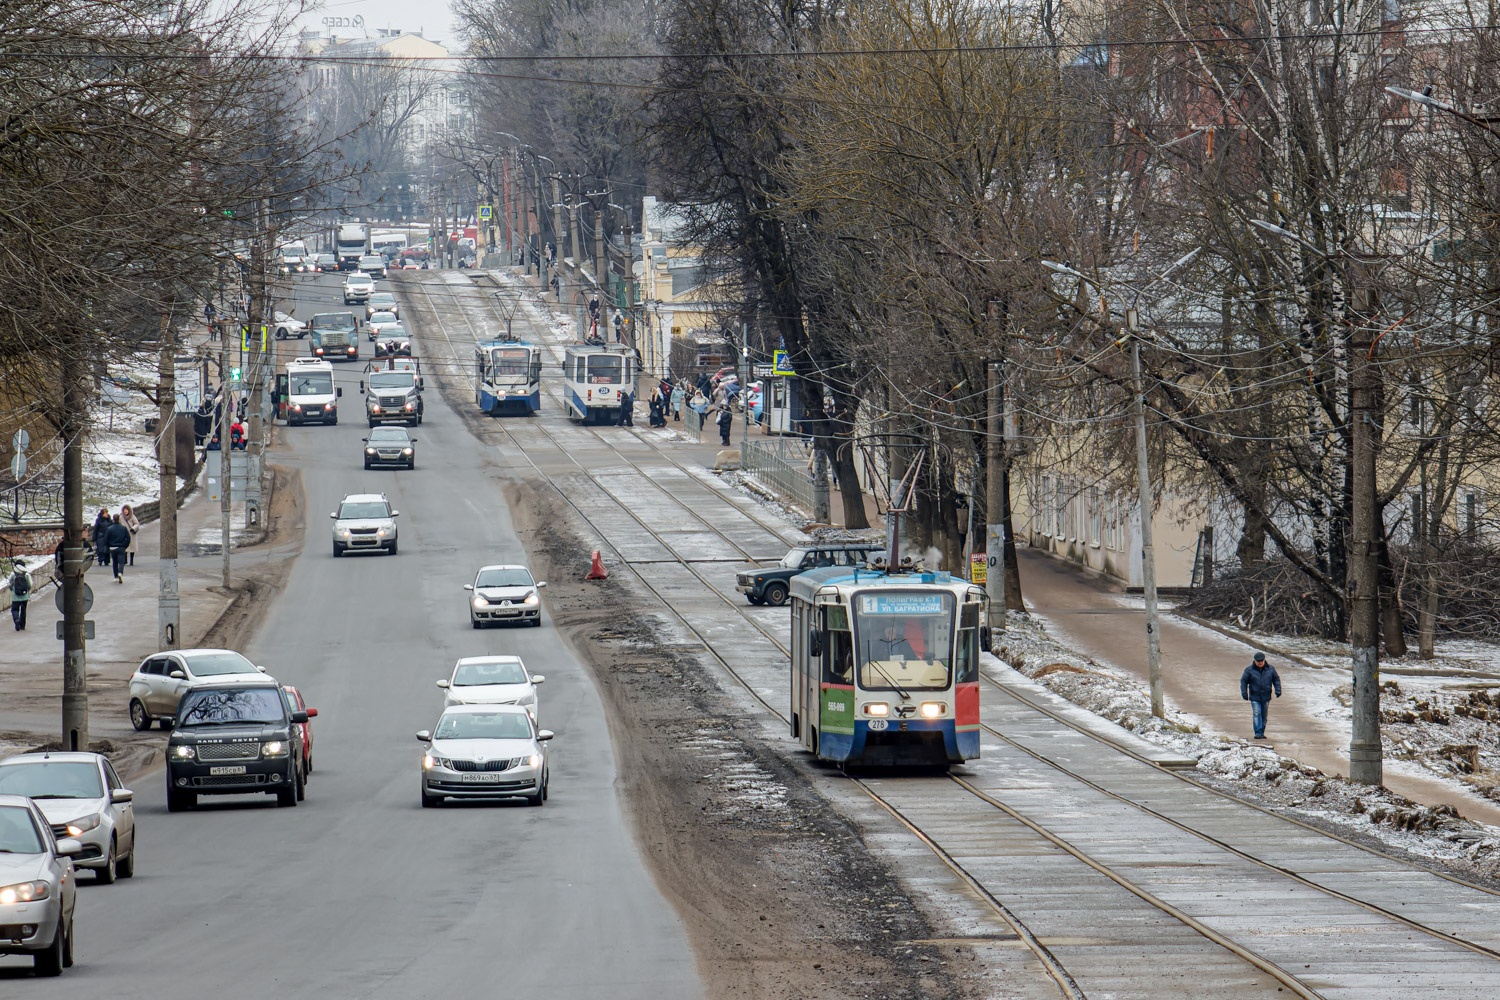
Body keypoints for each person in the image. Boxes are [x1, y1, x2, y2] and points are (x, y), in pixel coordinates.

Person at [1239, 651, 1282, 740]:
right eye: (1258, 661)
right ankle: (1258, 732)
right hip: (1254, 696)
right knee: (1257, 713)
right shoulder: (1249, 670)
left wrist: (1278, 690)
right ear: (1255, 661)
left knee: (1264, 715)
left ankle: (1261, 732)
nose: (1260, 663)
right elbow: (1243, 681)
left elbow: (1276, 680)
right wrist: (1244, 693)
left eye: (1262, 661)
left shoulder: (1270, 669)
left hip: (1266, 696)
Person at [106, 514, 131, 583]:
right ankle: (120, 572)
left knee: (114, 562)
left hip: (113, 547)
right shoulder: (123, 528)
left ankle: (115, 576)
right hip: (121, 547)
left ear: (113, 520)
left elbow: (106, 539)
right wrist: (125, 546)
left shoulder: (109, 529)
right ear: (119, 519)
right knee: (121, 562)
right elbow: (128, 538)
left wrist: (109, 545)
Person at [9, 563, 32, 631]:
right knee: (23, 610)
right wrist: (27, 591)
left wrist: (12, 590)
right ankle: (22, 626)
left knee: (14, 609)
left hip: (15, 597)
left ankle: (17, 619)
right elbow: (29, 584)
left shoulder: (13, 575)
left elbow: (10, 584)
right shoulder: (26, 574)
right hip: (24, 597)